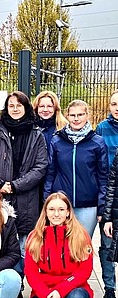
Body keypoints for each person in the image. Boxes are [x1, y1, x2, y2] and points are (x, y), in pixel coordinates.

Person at [0, 91, 48, 298]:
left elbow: (40, 166)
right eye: (11, 105)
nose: (15, 108)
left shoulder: (36, 135)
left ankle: (19, 283)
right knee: (2, 244)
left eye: (19, 105)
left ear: (26, 108)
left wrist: (15, 186)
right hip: (1, 199)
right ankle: (7, 286)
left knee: (25, 247)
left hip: (26, 199)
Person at [25, 192, 93, 298]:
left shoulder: (81, 235)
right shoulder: (34, 237)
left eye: (61, 209)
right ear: (46, 212)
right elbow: (31, 273)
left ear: (68, 211)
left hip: (74, 287)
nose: (56, 214)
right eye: (52, 209)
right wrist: (46, 295)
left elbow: (84, 271)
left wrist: (59, 292)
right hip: (45, 289)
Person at [44, 99, 107, 239]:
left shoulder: (97, 142)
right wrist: (47, 198)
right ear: (67, 116)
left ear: (87, 115)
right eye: (72, 115)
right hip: (61, 204)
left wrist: (101, 205)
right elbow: (50, 173)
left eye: (80, 114)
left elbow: (103, 176)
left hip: (88, 205)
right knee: (60, 245)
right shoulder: (57, 140)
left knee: (82, 246)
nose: (76, 119)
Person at [96, 90, 118, 298]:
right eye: (113, 104)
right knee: (107, 245)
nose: (117, 107)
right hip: (110, 195)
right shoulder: (102, 129)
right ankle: (110, 289)